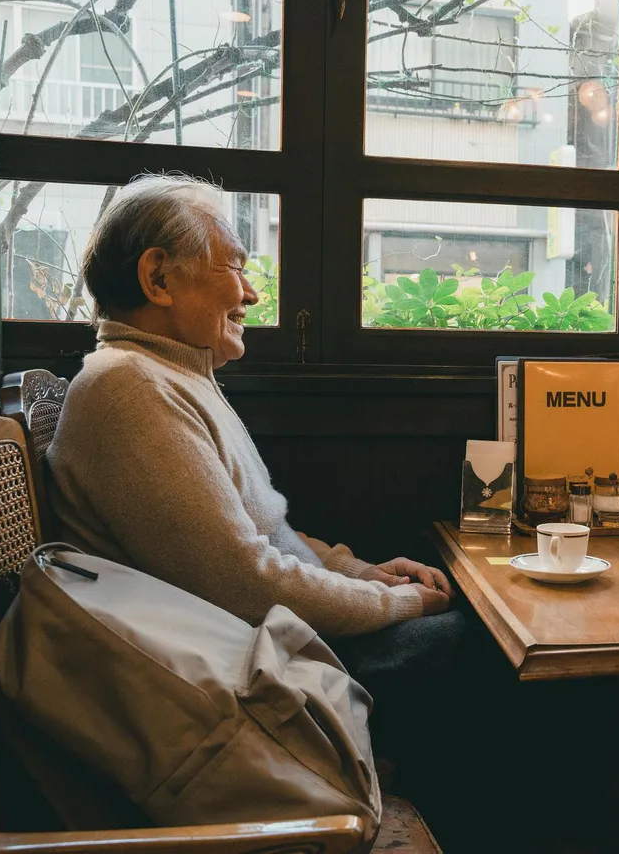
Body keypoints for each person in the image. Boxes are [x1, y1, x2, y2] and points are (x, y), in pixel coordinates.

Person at [46, 173, 497, 841]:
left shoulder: (173, 376)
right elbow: (243, 581)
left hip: (267, 649)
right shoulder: (126, 389)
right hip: (247, 684)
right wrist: (399, 604)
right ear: (158, 279)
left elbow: (266, 531)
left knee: (472, 630)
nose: (252, 293)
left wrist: (363, 572)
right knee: (483, 648)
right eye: (234, 266)